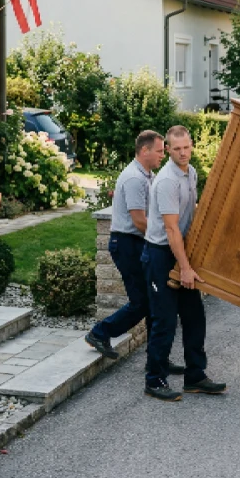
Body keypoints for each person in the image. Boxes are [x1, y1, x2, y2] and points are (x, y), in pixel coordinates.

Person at [84, 131, 182, 375]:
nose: (164, 155)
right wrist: (167, 236)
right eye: (160, 151)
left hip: (138, 243)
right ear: (145, 151)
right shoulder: (134, 179)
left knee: (153, 302)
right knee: (143, 302)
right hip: (128, 244)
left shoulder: (148, 176)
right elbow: (139, 222)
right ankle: (100, 333)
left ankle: (157, 358)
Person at [142, 125, 226, 402]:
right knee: (164, 321)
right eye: (176, 149)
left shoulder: (190, 173)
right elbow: (172, 229)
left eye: (186, 147)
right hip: (161, 255)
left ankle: (195, 376)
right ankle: (154, 380)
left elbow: (192, 212)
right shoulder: (167, 181)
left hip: (181, 252)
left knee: (194, 318)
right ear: (167, 149)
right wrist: (186, 268)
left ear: (192, 145)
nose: (182, 153)